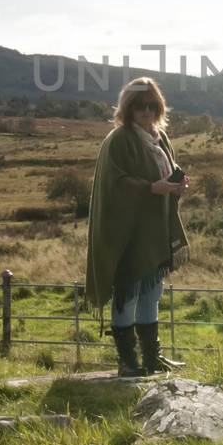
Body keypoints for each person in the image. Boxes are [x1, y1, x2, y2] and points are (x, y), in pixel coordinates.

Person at [84, 77, 189, 376]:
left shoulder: (159, 138)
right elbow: (115, 184)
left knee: (151, 293)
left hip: (154, 230)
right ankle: (127, 361)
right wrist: (150, 189)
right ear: (127, 108)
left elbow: (165, 174)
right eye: (139, 106)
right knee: (127, 293)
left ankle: (151, 358)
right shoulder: (118, 140)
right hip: (126, 233)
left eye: (151, 105)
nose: (145, 111)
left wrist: (176, 186)